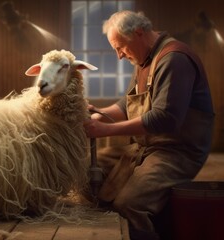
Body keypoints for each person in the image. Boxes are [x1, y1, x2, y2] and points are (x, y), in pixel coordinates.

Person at [83, 10, 215, 240]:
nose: (119, 56)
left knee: (130, 204)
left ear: (139, 33)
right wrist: (99, 115)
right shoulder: (146, 59)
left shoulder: (174, 58)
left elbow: (165, 118)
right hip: (146, 148)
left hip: (177, 151)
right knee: (85, 175)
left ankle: (147, 231)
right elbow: (127, 104)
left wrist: (106, 130)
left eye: (120, 47)